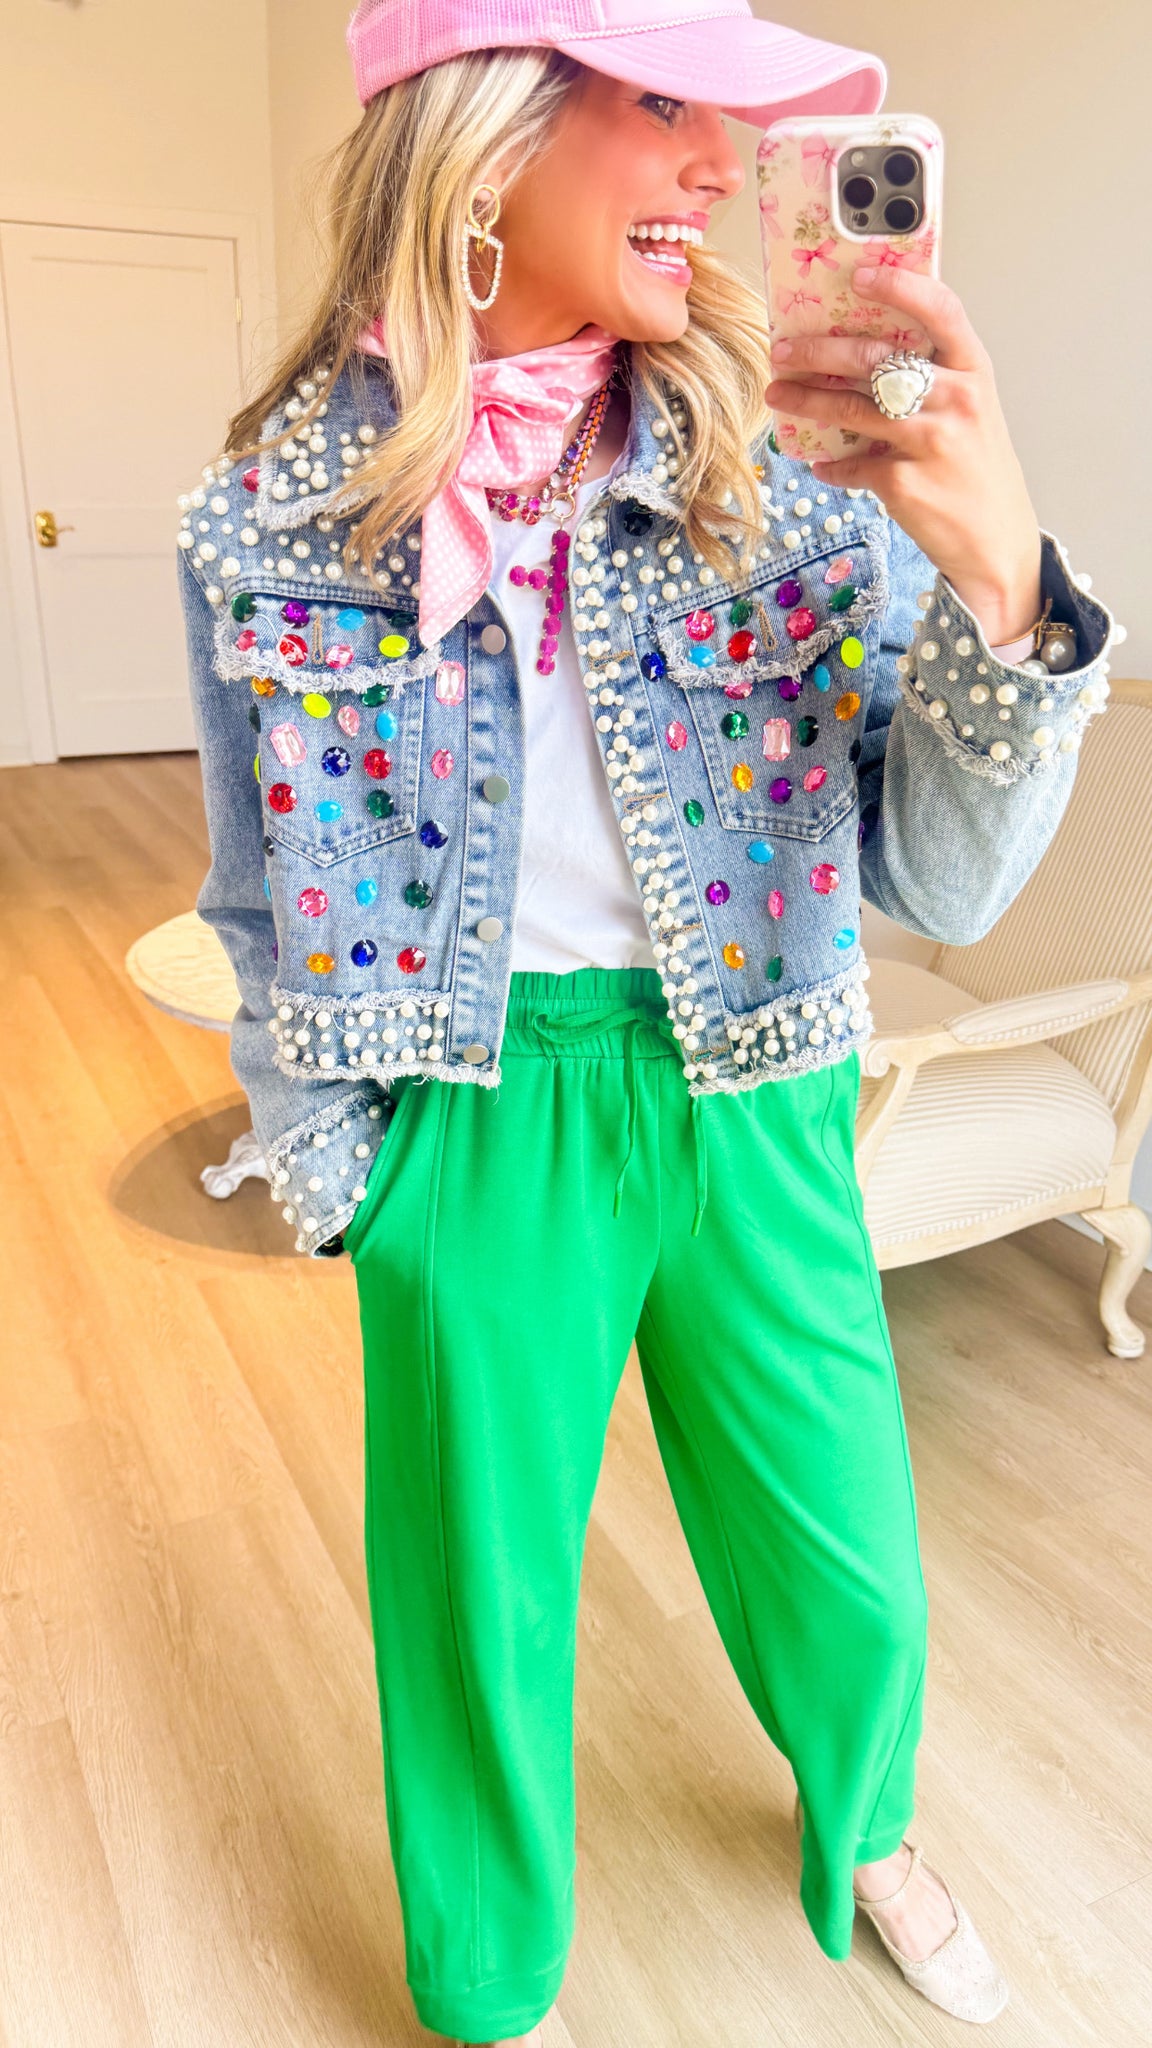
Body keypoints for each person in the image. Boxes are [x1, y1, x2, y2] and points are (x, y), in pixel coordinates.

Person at [178, 3, 1116, 2040]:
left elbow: (943, 881)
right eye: (669, 102)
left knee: (844, 1542)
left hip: (757, 1078)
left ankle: (870, 1825)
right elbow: (256, 882)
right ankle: (493, 1981)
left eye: (730, 120)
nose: (719, 167)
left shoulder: (786, 470)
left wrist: (1005, 596)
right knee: (479, 1585)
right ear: (488, 128)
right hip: (469, 1105)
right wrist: (342, 1172)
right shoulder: (272, 509)